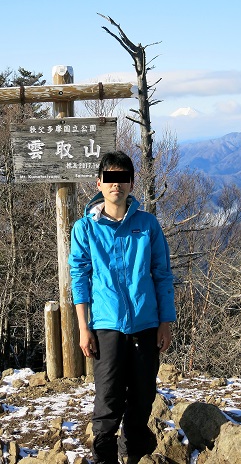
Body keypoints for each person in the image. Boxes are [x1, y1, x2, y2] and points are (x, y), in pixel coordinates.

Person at [68, 151, 176, 464]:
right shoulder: (85, 228)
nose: (116, 185)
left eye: (123, 178)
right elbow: (80, 280)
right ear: (99, 183)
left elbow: (162, 274)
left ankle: (135, 455)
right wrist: (83, 328)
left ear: (131, 183)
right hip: (106, 325)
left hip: (146, 322)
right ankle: (103, 457)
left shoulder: (147, 225)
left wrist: (165, 323)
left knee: (143, 397)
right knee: (108, 398)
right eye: (110, 178)